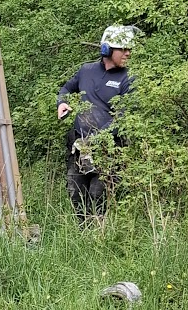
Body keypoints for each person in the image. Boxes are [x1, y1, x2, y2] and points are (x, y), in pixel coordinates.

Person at [57, 25, 135, 222]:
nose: (128, 53)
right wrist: (62, 102)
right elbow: (66, 88)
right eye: (123, 49)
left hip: (108, 149)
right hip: (78, 147)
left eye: (129, 49)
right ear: (107, 49)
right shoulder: (86, 70)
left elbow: (123, 117)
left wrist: (98, 139)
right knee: (76, 193)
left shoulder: (128, 78)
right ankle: (82, 233)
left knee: (98, 194)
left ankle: (101, 233)